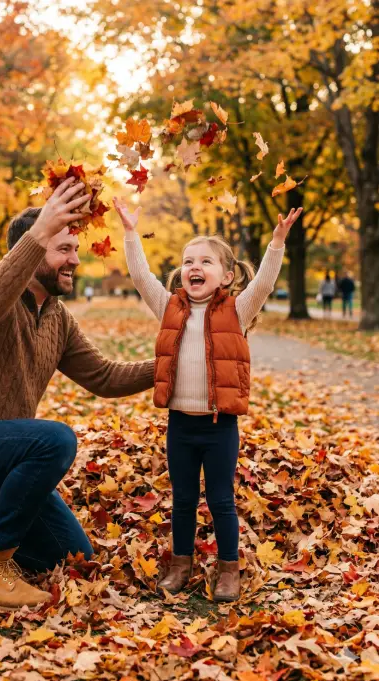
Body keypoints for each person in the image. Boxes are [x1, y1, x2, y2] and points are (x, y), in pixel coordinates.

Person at [0, 178, 155, 611]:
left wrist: (174, 363)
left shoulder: (58, 317)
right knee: (55, 438)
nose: (74, 260)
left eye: (75, 250)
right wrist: (41, 230)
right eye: (63, 249)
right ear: (31, 250)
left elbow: (105, 377)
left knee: (68, 553)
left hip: (0, 462)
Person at [113, 196, 303, 602]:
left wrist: (277, 242)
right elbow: (141, 276)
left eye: (205, 261)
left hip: (220, 427)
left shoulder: (238, 309)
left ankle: (228, 569)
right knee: (182, 500)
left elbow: (265, 283)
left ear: (227, 276)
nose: (194, 267)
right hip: (180, 425)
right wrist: (130, 233)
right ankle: (180, 565)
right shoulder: (168, 307)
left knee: (220, 500)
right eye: (188, 261)